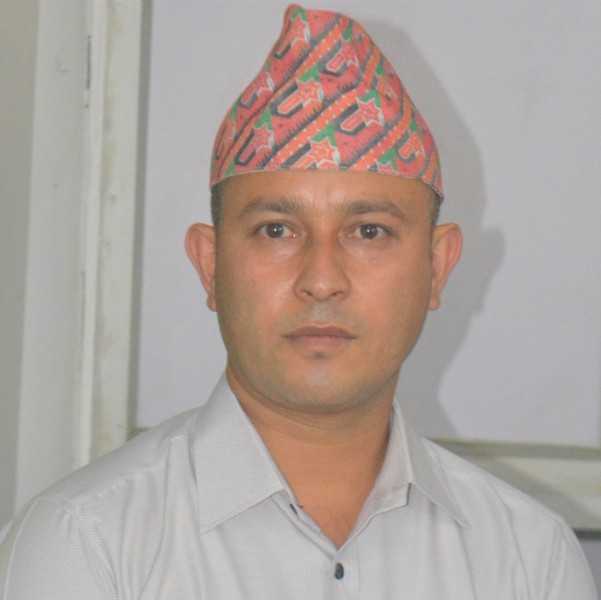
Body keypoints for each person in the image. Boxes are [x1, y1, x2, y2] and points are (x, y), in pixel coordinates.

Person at [0, 4, 596, 599]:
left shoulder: (528, 558)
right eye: (276, 230)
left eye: (369, 231)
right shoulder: (87, 545)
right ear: (210, 264)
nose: (322, 279)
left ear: (436, 266)